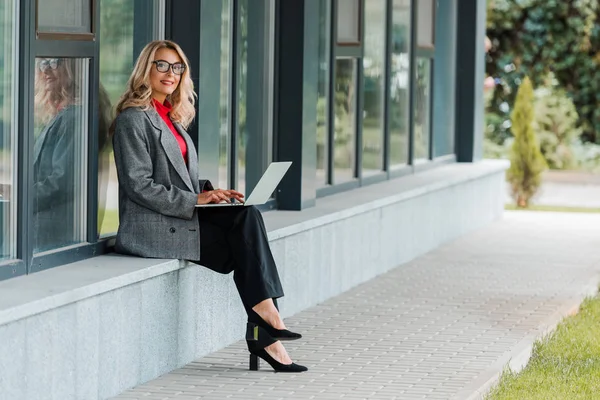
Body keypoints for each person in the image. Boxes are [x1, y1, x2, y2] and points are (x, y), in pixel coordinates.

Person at [111, 40, 307, 373]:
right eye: (162, 65)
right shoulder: (133, 119)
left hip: (178, 217)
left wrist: (211, 193)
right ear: (146, 68)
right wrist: (195, 200)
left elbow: (178, 178)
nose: (170, 74)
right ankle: (266, 327)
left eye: (177, 67)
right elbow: (138, 185)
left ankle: (267, 326)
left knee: (247, 217)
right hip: (150, 227)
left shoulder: (171, 118)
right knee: (245, 244)